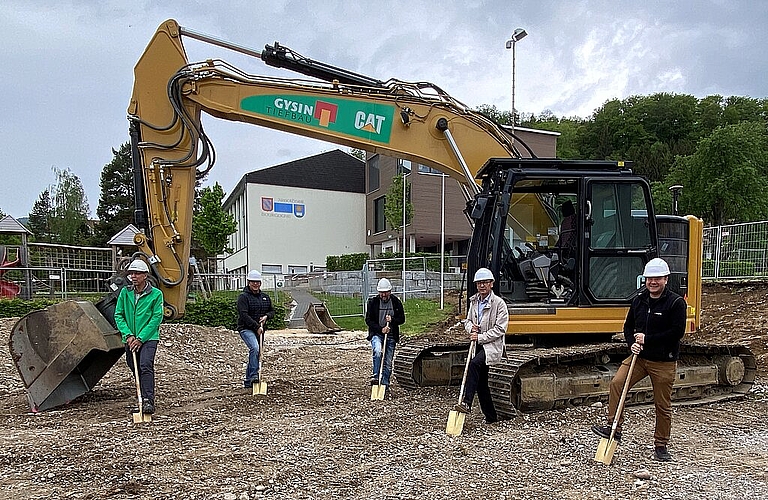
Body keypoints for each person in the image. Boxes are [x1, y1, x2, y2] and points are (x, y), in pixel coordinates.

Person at [591, 257, 686, 462]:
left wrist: (648, 339)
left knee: (662, 404)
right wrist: (631, 343)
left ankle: (661, 445)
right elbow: (628, 327)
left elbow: (677, 332)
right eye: (649, 278)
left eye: (657, 278)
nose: (653, 282)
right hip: (639, 358)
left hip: (664, 362)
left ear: (666, 279)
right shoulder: (639, 300)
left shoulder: (676, 303)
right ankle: (614, 428)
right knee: (617, 384)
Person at [454, 268, 509, 424]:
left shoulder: (499, 304)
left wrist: (481, 337)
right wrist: (471, 328)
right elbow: (468, 321)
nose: (482, 286)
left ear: (491, 284)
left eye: (485, 282)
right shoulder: (474, 301)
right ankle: (491, 417)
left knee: (474, 364)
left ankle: (466, 402)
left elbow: (500, 329)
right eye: (479, 283)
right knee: (481, 383)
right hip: (477, 344)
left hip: (492, 345)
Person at [114, 259, 164, 415]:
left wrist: (140, 338)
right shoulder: (125, 292)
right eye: (131, 273)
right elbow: (119, 315)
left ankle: (148, 400)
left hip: (148, 337)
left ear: (145, 275)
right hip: (130, 338)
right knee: (133, 366)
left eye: (136, 273)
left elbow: (156, 318)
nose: (133, 276)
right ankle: (141, 396)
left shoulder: (156, 294)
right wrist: (128, 335)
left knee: (145, 365)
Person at [365, 278, 405, 393]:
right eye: (381, 292)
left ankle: (385, 384)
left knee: (387, 361)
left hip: (391, 336)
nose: (383, 294)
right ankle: (375, 376)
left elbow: (402, 319)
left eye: (386, 292)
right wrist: (381, 329)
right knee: (378, 351)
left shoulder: (396, 302)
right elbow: (368, 320)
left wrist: (392, 320)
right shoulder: (373, 302)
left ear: (390, 291)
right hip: (377, 334)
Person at [237, 270, 275, 389]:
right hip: (246, 328)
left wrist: (266, 316)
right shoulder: (243, 297)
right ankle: (254, 375)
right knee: (254, 348)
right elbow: (244, 315)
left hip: (260, 329)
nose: (255, 284)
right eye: (253, 282)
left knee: (257, 352)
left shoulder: (265, 297)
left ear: (260, 283)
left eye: (257, 282)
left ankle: (248, 381)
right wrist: (256, 326)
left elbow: (272, 311)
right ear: (248, 282)